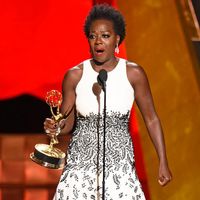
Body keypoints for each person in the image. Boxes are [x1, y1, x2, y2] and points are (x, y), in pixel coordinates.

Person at [44, 4, 172, 200]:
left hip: (119, 168)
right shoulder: (75, 75)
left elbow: (152, 119)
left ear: (117, 39)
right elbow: (67, 123)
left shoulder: (133, 74)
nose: (98, 42)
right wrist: (56, 127)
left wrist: (163, 161)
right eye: (93, 36)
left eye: (105, 36)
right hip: (80, 169)